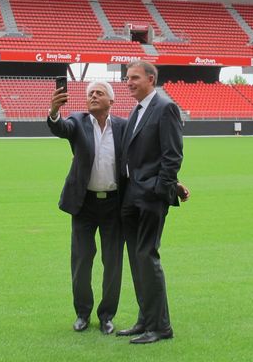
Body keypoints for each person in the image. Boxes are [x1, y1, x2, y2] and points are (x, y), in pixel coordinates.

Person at [47, 81, 126, 335]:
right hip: (84, 205)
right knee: (81, 261)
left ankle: (107, 316)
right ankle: (82, 313)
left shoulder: (123, 127)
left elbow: (142, 157)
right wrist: (54, 111)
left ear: (110, 101)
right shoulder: (78, 122)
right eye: (90, 93)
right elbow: (60, 127)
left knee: (112, 263)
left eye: (99, 93)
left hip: (114, 205)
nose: (93, 96)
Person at [117, 61, 184, 344]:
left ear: (151, 79)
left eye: (134, 77)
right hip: (132, 194)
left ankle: (161, 327)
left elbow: (173, 155)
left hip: (150, 197)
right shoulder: (139, 108)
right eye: (127, 78)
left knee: (147, 257)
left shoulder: (165, 107)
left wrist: (161, 189)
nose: (128, 82)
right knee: (137, 259)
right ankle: (145, 319)